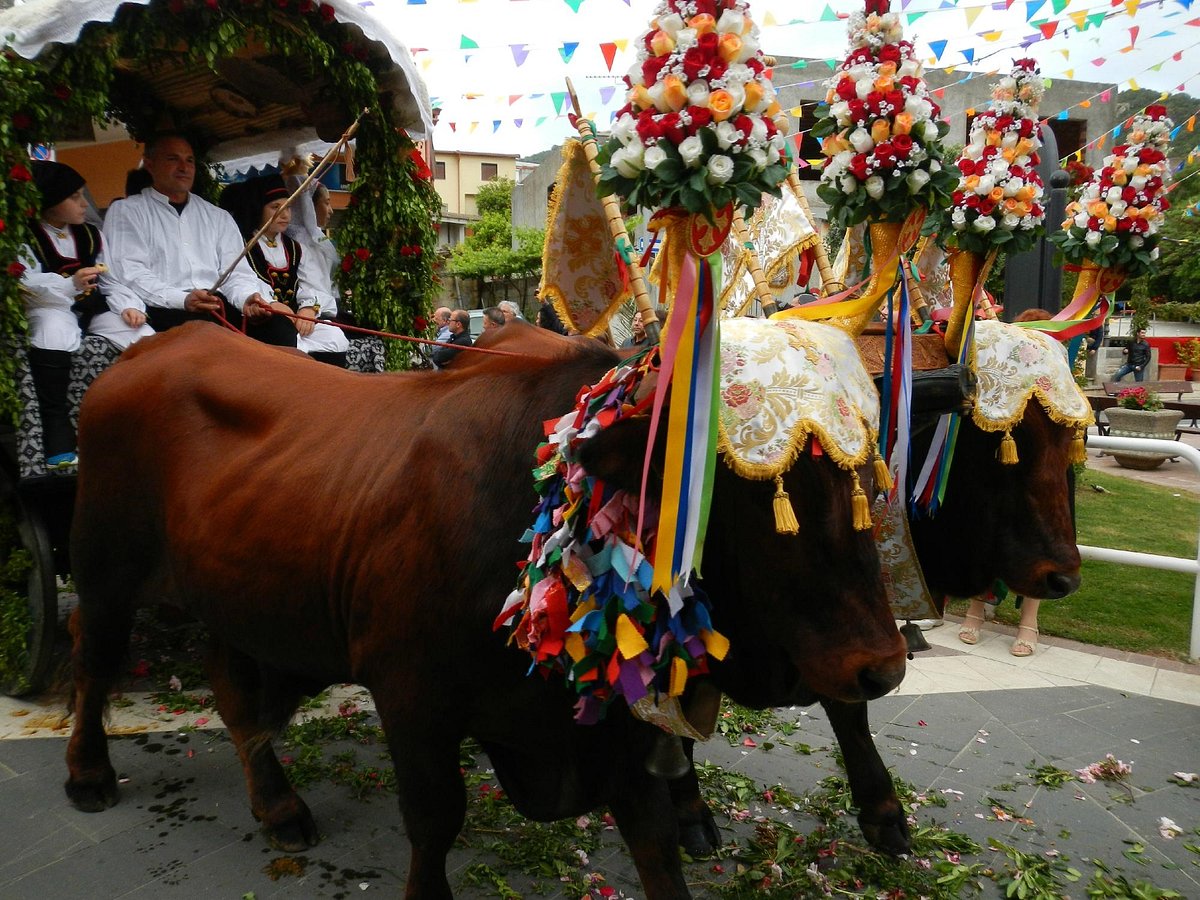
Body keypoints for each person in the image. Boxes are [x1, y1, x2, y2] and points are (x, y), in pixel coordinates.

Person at [100, 133, 294, 347]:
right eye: (173, 159)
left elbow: (236, 274)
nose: (184, 167)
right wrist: (182, 299)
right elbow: (130, 272)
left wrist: (247, 299)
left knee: (279, 328)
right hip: (164, 308)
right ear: (150, 164)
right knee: (204, 331)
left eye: (189, 160)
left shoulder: (217, 216)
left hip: (216, 305)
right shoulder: (127, 211)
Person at [20, 161, 154, 467]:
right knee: (52, 331)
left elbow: (111, 279)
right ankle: (57, 433)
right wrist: (69, 285)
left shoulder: (91, 235)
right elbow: (25, 283)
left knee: (143, 336)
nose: (84, 204)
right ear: (50, 202)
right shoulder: (27, 236)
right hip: (52, 306)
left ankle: (148, 415)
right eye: (74, 197)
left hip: (92, 307)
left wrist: (128, 306)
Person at [224, 173, 350, 367]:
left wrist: (309, 308)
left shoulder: (297, 249)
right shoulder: (243, 246)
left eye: (288, 207)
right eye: (276, 207)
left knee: (333, 335)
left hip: (296, 319)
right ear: (258, 209)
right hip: (261, 322)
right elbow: (241, 282)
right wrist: (271, 304)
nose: (285, 215)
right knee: (281, 331)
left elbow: (314, 286)